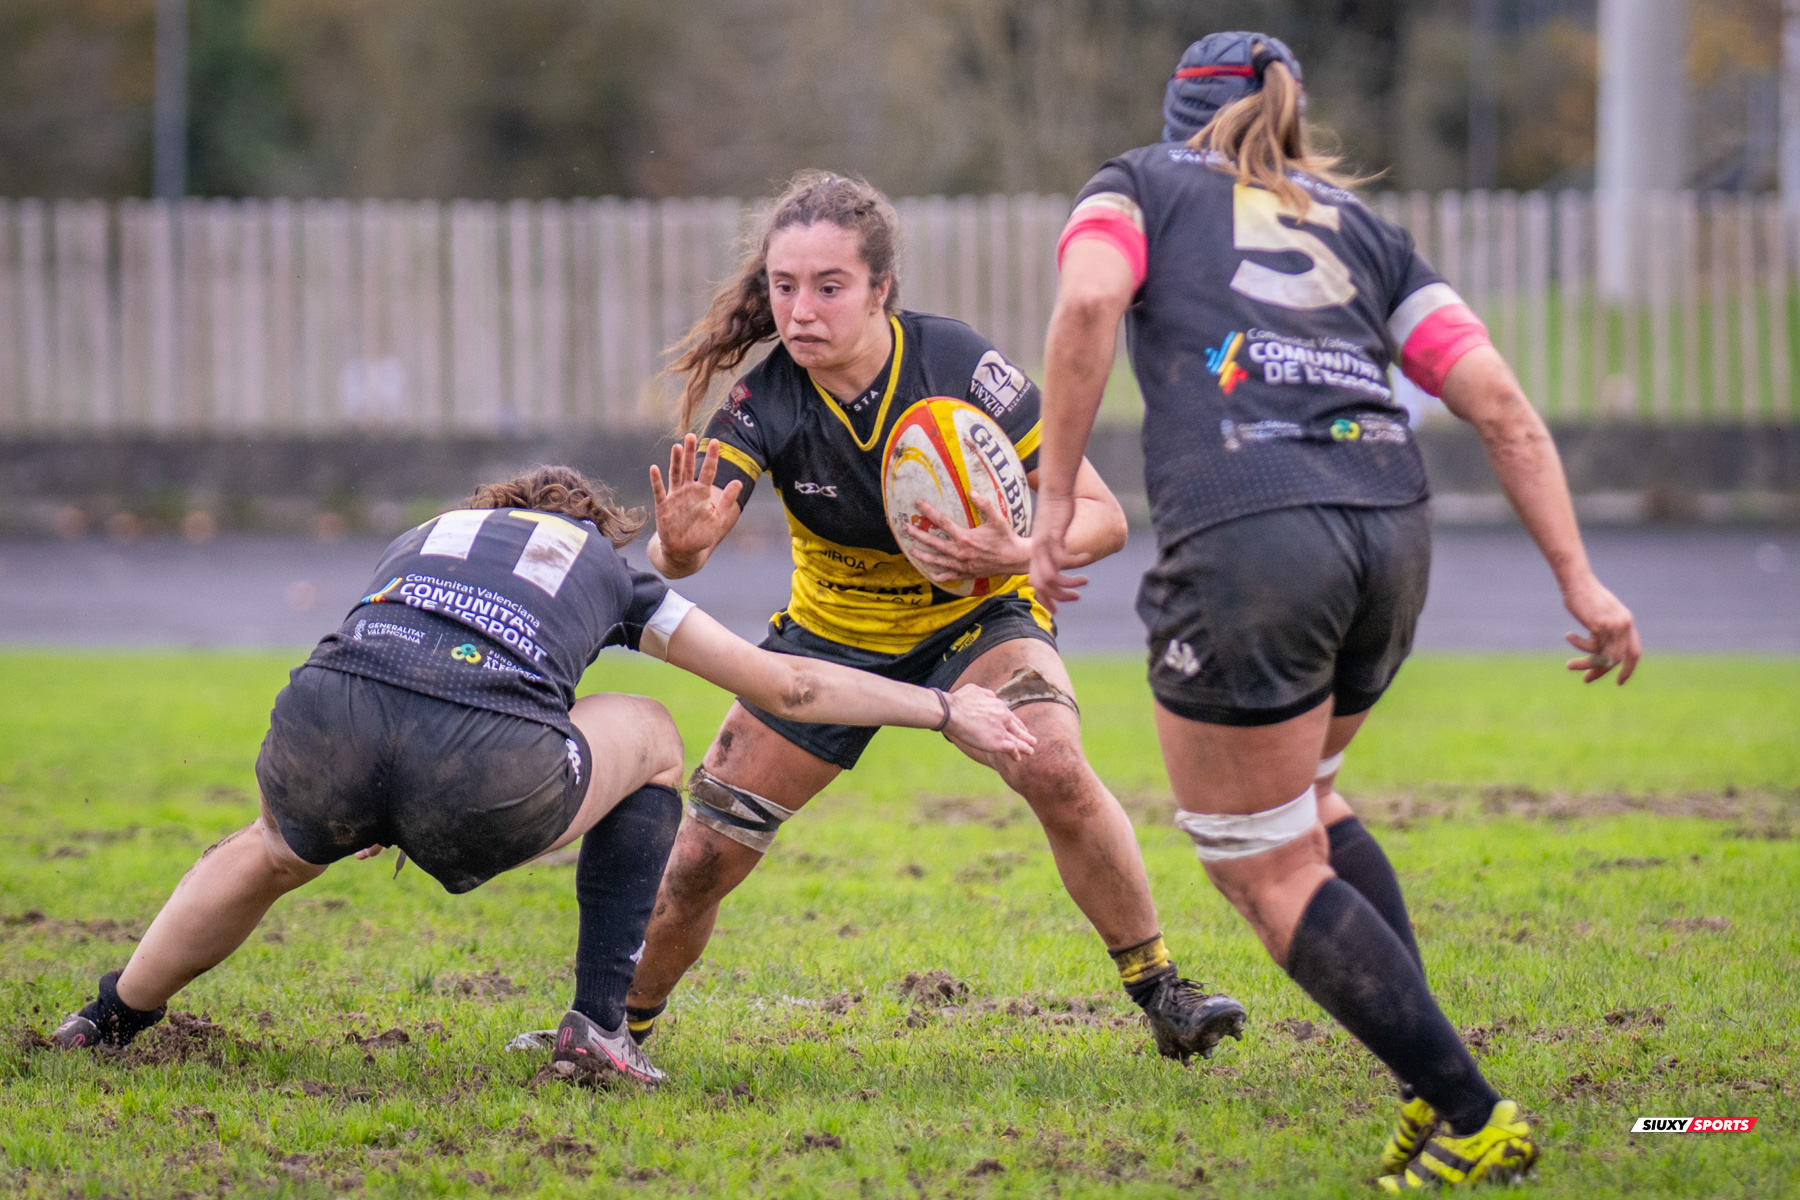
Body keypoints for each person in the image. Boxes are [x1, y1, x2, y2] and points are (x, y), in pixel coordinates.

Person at [1029, 32, 1642, 1190]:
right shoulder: (1364, 226)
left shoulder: (1137, 184)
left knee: (1256, 859)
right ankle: (1427, 1087)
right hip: (1392, 529)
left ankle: (1474, 1116)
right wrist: (1582, 582)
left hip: (1253, 532)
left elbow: (1091, 297)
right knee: (1306, 796)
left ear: (1178, 117)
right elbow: (1501, 406)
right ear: (1292, 115)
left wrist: (1054, 498)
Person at [49, 465, 1036, 1088]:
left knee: (271, 848)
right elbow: (786, 684)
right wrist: (944, 708)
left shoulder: (423, 535)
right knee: (653, 732)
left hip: (324, 717)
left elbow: (391, 659)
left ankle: (107, 1018)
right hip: (483, 767)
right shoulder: (607, 566)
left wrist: (387, 784)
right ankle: (600, 1027)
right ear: (593, 528)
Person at [619, 169, 1247, 1060]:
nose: (800, 312)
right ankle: (619, 1029)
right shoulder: (769, 400)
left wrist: (1014, 552)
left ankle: (1164, 993)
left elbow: (1103, 518)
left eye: (828, 287)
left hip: (976, 622)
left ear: (881, 289)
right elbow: (684, 546)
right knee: (700, 860)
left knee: (1055, 766)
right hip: (831, 642)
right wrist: (677, 549)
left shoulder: (958, 367)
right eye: (784, 287)